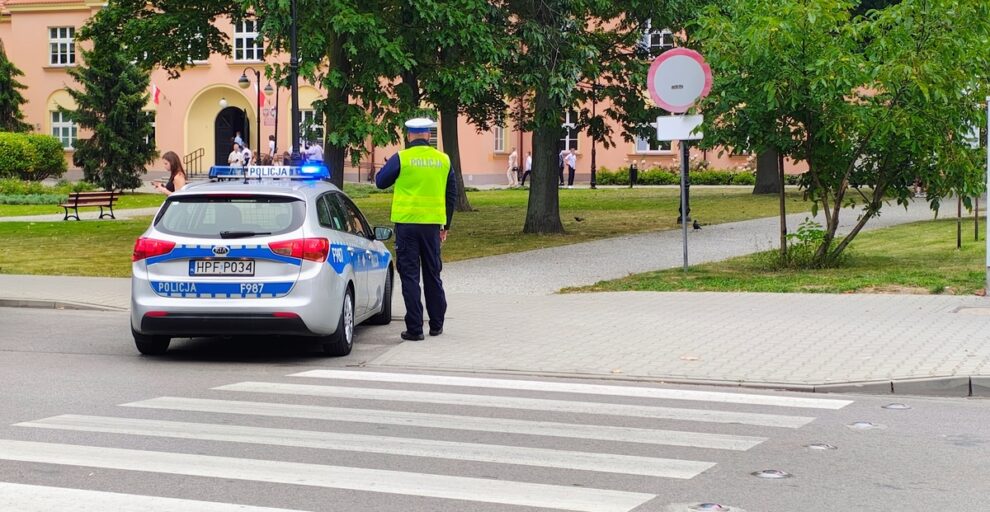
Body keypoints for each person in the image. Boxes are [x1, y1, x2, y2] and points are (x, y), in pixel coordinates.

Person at [375, 118, 456, 341]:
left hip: (407, 226)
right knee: (433, 274)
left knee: (410, 276)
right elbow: (451, 195)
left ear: (409, 135)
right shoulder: (443, 160)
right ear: (428, 135)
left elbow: (380, 182)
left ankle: (415, 329)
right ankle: (437, 325)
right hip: (432, 227)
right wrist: (446, 226)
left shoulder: (402, 158)